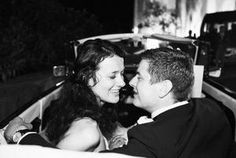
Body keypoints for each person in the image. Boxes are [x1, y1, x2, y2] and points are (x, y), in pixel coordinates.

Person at [4, 48, 234, 157]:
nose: (127, 83)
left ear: (164, 88)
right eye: (114, 75)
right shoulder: (213, 109)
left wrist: (20, 135)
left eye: (137, 76)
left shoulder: (152, 141)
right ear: (88, 77)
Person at [4, 39, 128, 152]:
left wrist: (110, 151)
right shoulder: (87, 130)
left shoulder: (75, 109)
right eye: (113, 76)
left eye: (122, 74)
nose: (122, 82)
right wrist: (19, 134)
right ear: (88, 78)